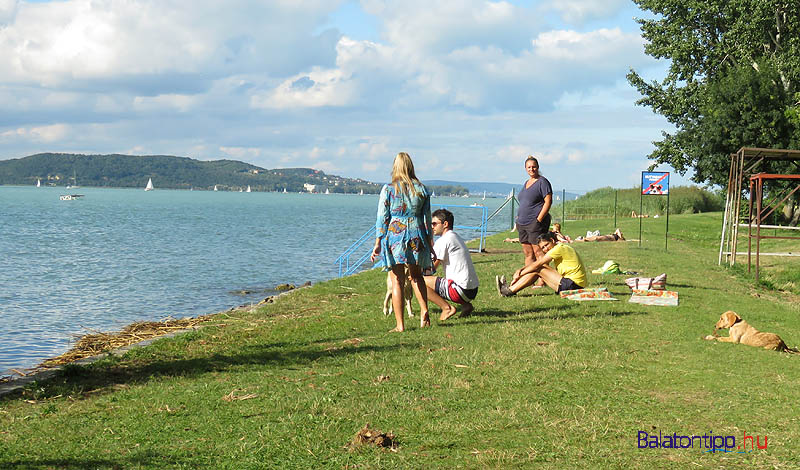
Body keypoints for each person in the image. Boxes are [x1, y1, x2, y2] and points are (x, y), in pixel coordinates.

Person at [370, 152, 434, 331]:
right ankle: (424, 311)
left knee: (397, 279)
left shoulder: (389, 189)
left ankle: (400, 325)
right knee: (416, 276)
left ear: (395, 167)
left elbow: (382, 218)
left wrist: (377, 242)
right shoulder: (421, 189)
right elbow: (427, 219)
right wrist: (430, 242)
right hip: (417, 234)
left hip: (396, 236)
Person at [423, 209, 479, 321]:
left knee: (418, 282)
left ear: (445, 224)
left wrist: (417, 272)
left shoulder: (444, 240)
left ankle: (446, 308)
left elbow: (432, 268)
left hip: (460, 289)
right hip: (472, 290)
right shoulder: (455, 237)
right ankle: (466, 306)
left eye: (434, 224)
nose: (432, 227)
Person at [495, 231, 587, 296]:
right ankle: (509, 289)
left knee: (539, 268)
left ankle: (508, 290)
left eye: (547, 245)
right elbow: (538, 264)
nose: (545, 249)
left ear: (552, 240)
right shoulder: (562, 248)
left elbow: (538, 264)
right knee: (539, 268)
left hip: (573, 286)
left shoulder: (559, 248)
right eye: (543, 248)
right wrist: (520, 270)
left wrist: (519, 274)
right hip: (573, 284)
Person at [516, 156, 553, 285]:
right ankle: (528, 280)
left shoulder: (542, 182)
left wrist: (538, 219)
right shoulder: (526, 182)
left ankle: (542, 281)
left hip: (534, 223)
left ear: (538, 167)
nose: (531, 169)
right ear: (525, 169)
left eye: (534, 166)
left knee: (539, 253)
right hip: (522, 223)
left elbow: (548, 202)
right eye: (529, 167)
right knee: (528, 254)